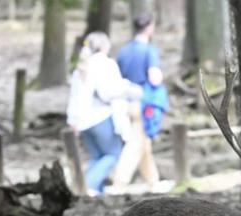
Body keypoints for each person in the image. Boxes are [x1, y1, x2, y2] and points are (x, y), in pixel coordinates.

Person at [67, 32, 138, 195]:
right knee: (112, 155)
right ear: (104, 46)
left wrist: (73, 120)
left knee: (97, 157)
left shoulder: (81, 68)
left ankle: (95, 191)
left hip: (82, 121)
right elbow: (108, 91)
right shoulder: (105, 64)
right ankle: (87, 186)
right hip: (101, 118)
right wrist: (129, 89)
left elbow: (74, 97)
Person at [113, 12, 167, 192]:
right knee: (136, 143)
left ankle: (153, 182)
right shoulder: (149, 50)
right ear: (149, 27)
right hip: (144, 103)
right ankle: (119, 182)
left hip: (126, 101)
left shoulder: (124, 50)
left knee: (143, 143)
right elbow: (154, 77)